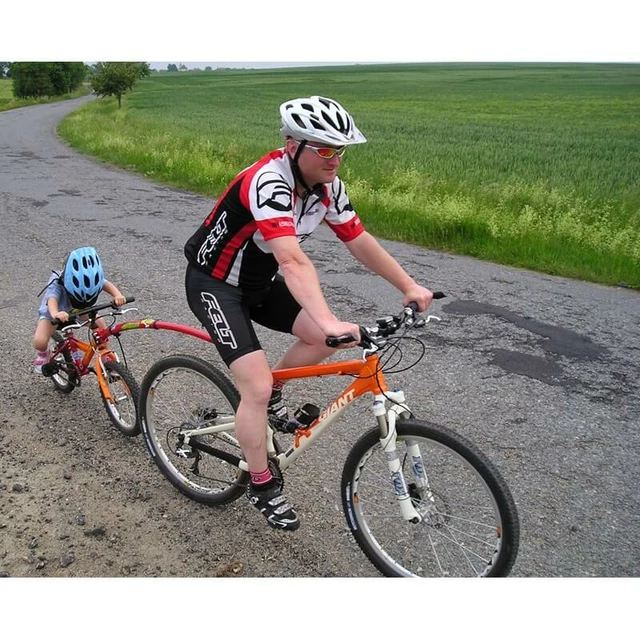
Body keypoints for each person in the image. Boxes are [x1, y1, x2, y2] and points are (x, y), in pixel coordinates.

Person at [184, 95, 434, 531]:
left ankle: (267, 398)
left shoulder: (326, 188)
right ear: (291, 145)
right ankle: (261, 483)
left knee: (316, 342)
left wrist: (408, 285)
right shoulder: (267, 181)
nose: (335, 159)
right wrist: (330, 320)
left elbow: (358, 241)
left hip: (257, 285)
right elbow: (293, 261)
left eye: (341, 149)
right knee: (259, 385)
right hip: (215, 284)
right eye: (324, 148)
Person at [33, 246, 127, 372]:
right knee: (39, 341)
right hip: (54, 315)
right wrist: (56, 313)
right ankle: (44, 354)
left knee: (101, 327)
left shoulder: (91, 277)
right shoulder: (57, 282)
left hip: (81, 310)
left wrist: (117, 295)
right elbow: (51, 300)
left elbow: (105, 284)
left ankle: (106, 354)